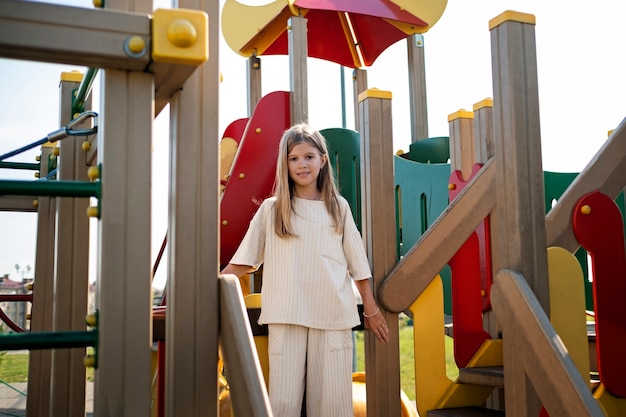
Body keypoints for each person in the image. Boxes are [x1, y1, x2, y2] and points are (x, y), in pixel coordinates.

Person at [221, 123, 389, 417]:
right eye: (293, 158)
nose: (301, 164)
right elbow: (242, 262)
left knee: (333, 404)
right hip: (287, 314)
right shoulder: (272, 210)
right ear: (284, 164)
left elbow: (358, 264)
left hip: (333, 315)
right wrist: (208, 289)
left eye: (309, 156)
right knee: (283, 403)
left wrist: (372, 310)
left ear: (323, 160)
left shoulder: (339, 207)